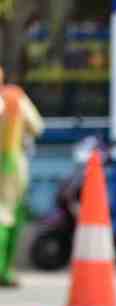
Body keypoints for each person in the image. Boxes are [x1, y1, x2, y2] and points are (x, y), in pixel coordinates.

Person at [0, 67, 44, 288]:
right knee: (6, 215)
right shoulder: (14, 98)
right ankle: (3, 271)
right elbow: (37, 126)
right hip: (10, 162)